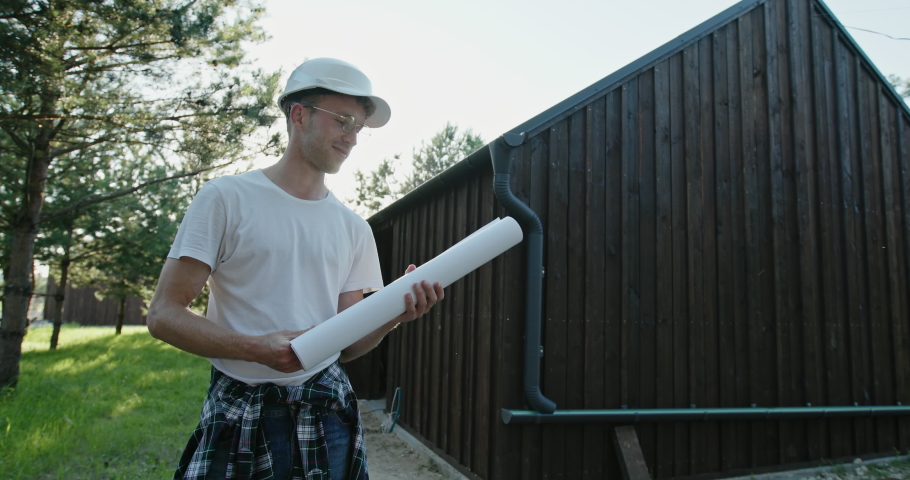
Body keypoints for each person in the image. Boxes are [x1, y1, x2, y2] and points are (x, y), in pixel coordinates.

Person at [147, 58, 443, 480]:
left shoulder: (354, 228)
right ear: (299, 115)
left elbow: (346, 345)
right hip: (239, 410)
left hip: (328, 413)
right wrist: (255, 349)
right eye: (343, 121)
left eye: (358, 127)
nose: (352, 137)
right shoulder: (225, 199)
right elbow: (163, 315)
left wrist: (395, 313)